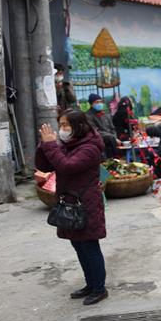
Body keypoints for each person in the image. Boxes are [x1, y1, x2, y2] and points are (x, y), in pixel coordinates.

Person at [35, 110, 109, 306]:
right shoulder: (68, 145)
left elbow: (67, 166)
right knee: (78, 244)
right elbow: (46, 165)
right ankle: (90, 284)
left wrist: (51, 145)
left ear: (79, 126)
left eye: (66, 125)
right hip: (70, 201)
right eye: (60, 125)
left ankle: (99, 288)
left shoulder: (90, 148)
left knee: (89, 246)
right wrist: (44, 145)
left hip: (86, 203)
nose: (62, 129)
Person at [85, 93, 118, 158]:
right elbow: (95, 131)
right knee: (110, 139)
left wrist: (115, 137)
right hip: (98, 138)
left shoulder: (106, 114)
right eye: (97, 102)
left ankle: (116, 158)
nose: (99, 104)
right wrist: (112, 137)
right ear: (91, 104)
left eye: (100, 102)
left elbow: (112, 128)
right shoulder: (88, 116)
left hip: (110, 138)